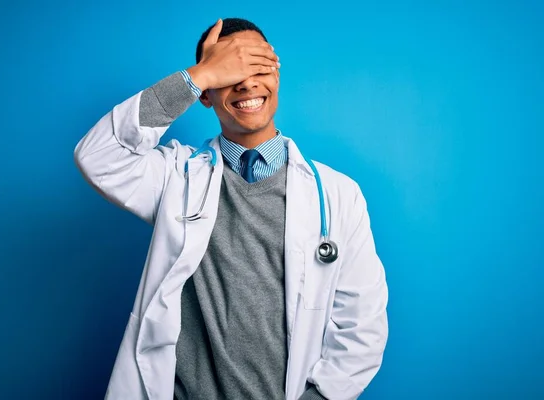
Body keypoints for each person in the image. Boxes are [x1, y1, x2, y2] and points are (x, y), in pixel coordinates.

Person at [74, 17, 388, 400]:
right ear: (205, 93)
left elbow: (362, 328)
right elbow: (99, 156)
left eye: (257, 65)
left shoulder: (338, 195)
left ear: (276, 75)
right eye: (229, 69)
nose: (246, 82)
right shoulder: (176, 178)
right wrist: (199, 74)